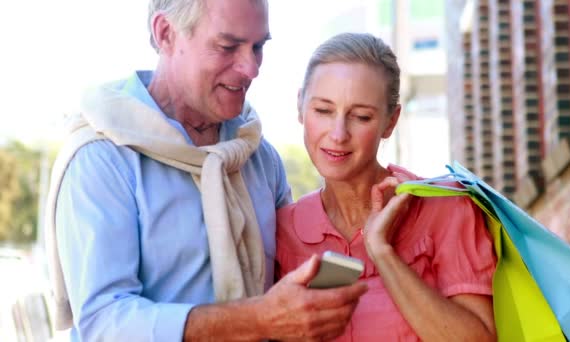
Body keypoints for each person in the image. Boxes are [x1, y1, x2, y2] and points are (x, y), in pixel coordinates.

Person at [45, 0, 367, 340]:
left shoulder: (257, 155)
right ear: (166, 33)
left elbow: (290, 276)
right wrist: (256, 320)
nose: (251, 68)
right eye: (227, 46)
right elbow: (104, 323)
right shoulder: (102, 158)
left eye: (258, 47)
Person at [275, 32, 498, 341]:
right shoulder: (281, 231)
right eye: (323, 111)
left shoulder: (446, 208)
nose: (338, 134)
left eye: (361, 116)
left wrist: (382, 251)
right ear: (300, 106)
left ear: (390, 122)